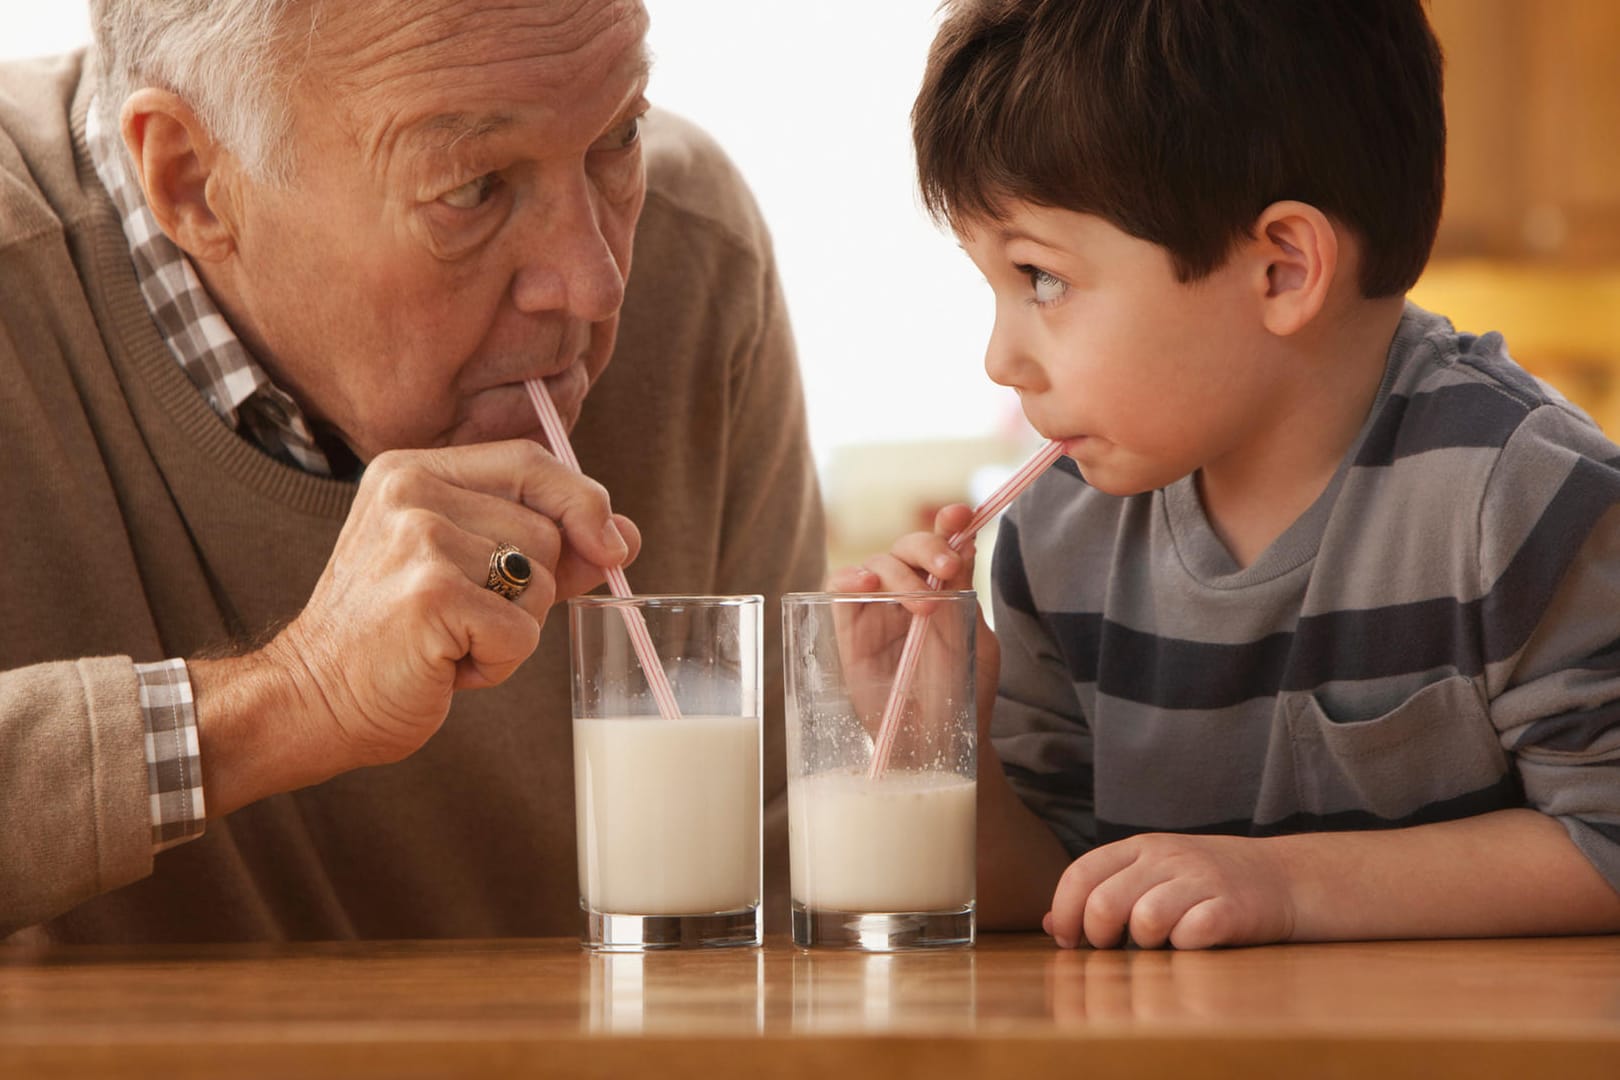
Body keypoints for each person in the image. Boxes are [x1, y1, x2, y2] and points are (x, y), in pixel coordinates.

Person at [0, 0, 824, 941]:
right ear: (194, 182)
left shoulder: (693, 250)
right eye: (473, 188)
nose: (594, 284)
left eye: (618, 134)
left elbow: (785, 857)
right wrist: (291, 697)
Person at [839, 0, 1620, 949]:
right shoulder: (1063, 527)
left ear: (1283, 271)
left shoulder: (1527, 499)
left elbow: (1606, 836)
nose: (1001, 358)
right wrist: (935, 742)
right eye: (993, 283)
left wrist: (1283, 885)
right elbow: (1057, 885)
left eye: (1042, 278)